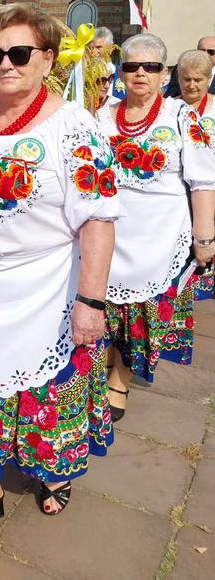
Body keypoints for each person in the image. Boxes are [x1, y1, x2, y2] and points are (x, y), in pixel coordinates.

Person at [0, 2, 119, 543]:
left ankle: (52, 471)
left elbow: (99, 220)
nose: (5, 64)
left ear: (48, 58)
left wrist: (91, 302)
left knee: (46, 389)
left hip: (43, 285)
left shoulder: (75, 127)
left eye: (19, 53)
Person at [98, 35, 215, 422]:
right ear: (121, 72)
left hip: (158, 236)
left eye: (150, 67)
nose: (140, 74)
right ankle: (106, 362)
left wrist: (204, 239)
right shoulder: (102, 113)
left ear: (163, 73)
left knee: (140, 312)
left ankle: (121, 377)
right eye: (131, 66)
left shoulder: (182, 117)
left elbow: (203, 182)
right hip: (110, 229)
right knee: (106, 305)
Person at [177, 49, 215, 300]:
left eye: (198, 79)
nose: (191, 85)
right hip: (182, 193)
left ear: (209, 79)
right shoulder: (171, 108)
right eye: (186, 79)